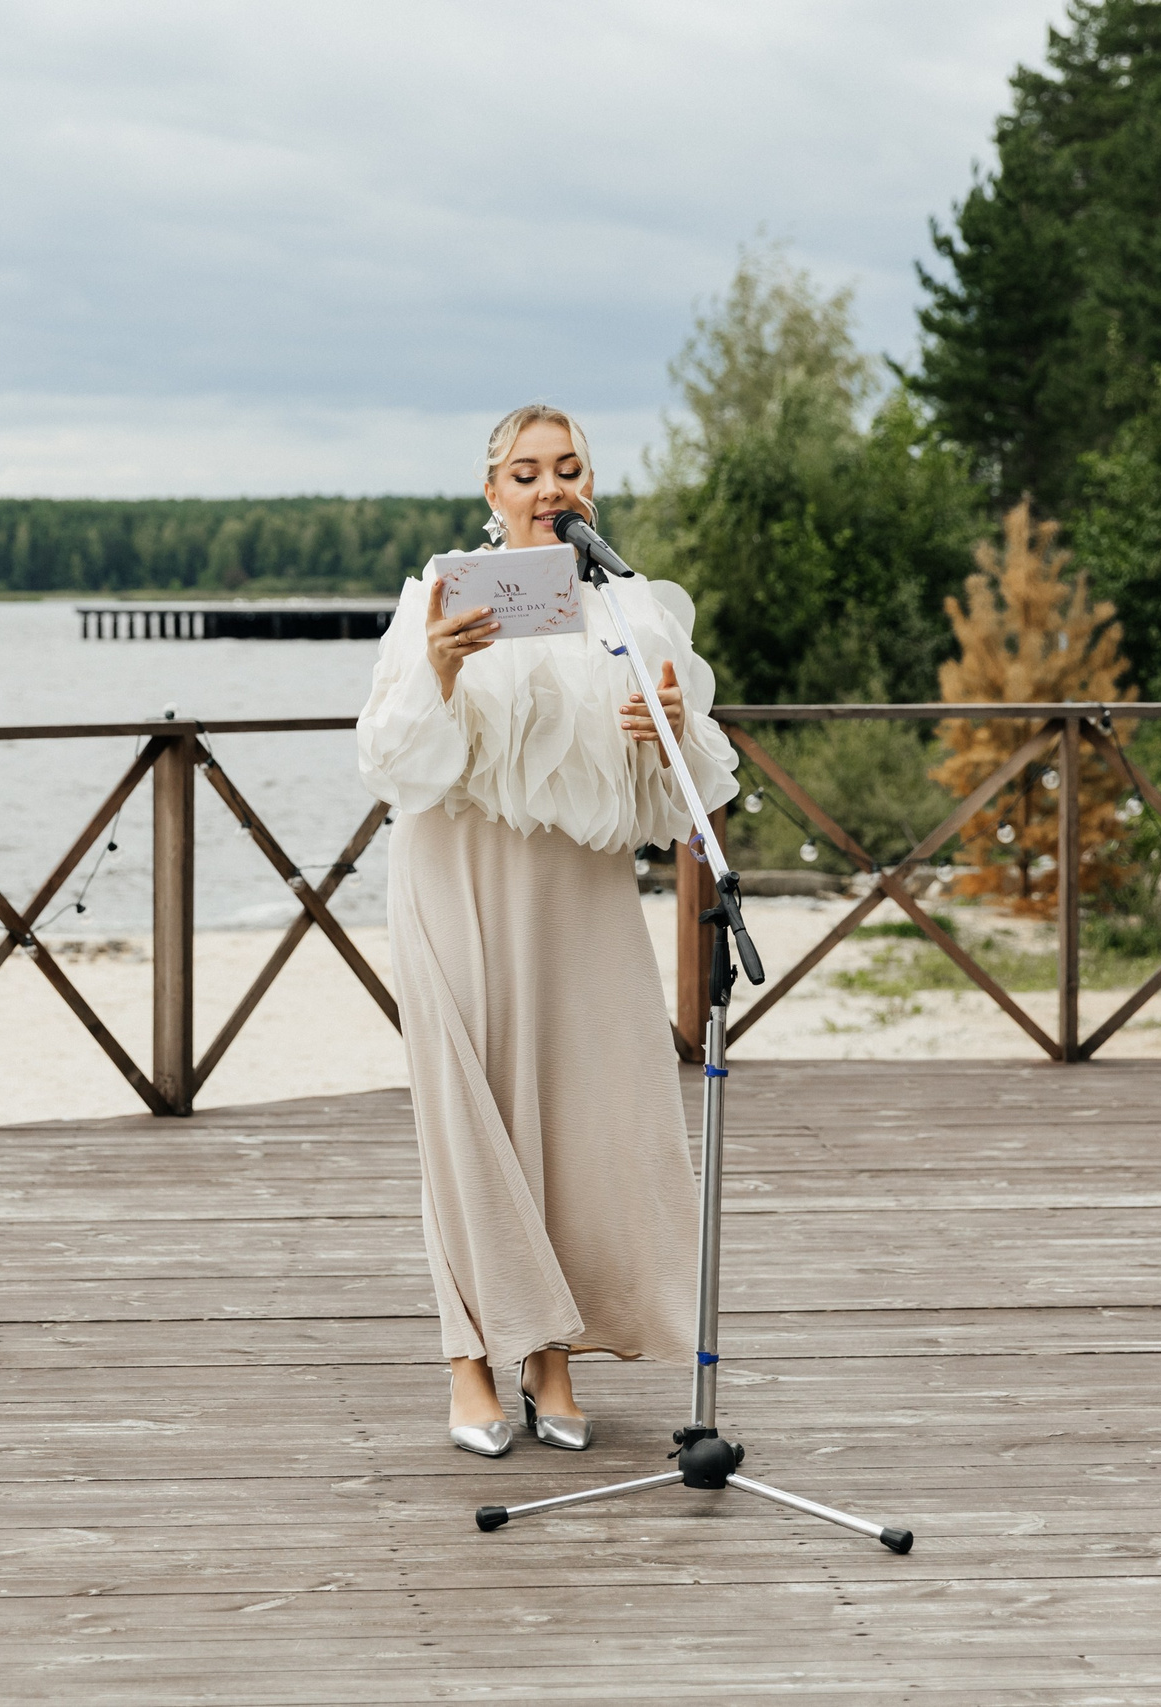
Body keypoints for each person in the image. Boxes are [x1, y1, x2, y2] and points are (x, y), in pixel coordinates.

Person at [356, 404, 740, 1456]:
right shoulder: (439, 593)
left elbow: (688, 791)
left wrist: (658, 730)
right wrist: (435, 666)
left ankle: (552, 1353)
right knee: (467, 1112)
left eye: (568, 469)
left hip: (576, 890)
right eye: (525, 473)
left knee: (576, 1116)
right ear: (492, 494)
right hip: (456, 876)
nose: (549, 489)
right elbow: (389, 763)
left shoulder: (630, 610)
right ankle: (469, 1360)